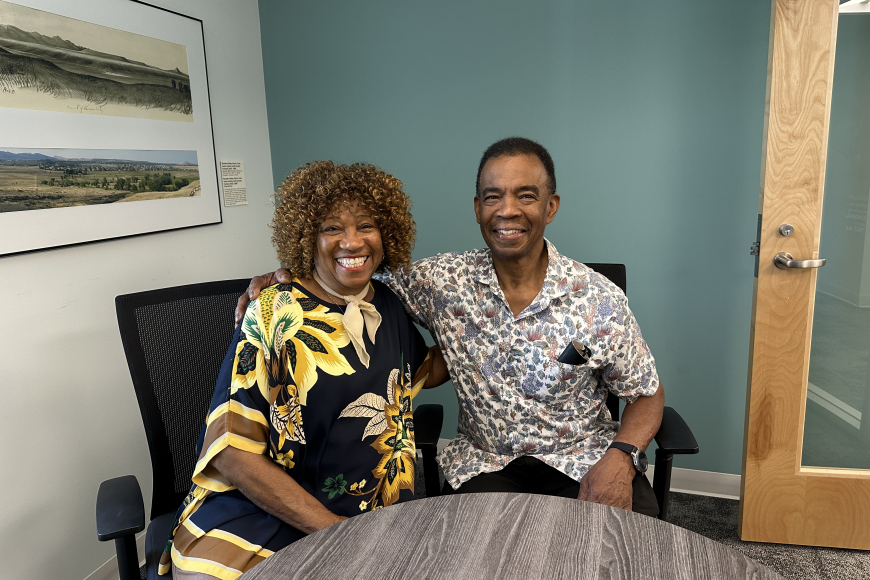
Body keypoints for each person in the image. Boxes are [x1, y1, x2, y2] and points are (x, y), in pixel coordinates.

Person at [237, 138, 663, 517]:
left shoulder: (598, 298)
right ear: (478, 209)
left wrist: (621, 457)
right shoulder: (442, 282)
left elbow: (647, 393)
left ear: (550, 207)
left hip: (584, 460)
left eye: (526, 196)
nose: (507, 210)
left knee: (626, 553)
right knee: (468, 559)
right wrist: (288, 276)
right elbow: (350, 270)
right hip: (486, 465)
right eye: (493, 197)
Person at [163, 161, 448, 580]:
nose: (352, 242)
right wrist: (336, 533)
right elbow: (232, 454)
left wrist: (489, 334)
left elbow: (422, 371)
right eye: (332, 228)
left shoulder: (386, 304)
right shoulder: (274, 311)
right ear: (306, 237)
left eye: (366, 225)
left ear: (386, 232)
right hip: (264, 506)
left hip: (366, 505)